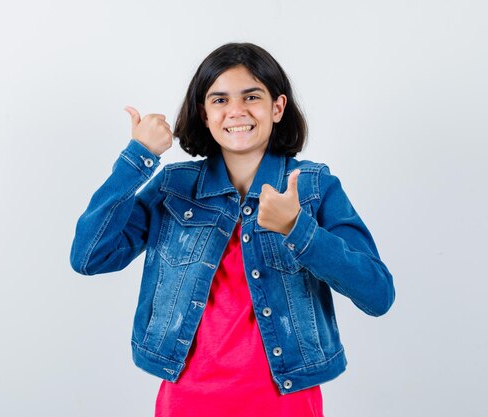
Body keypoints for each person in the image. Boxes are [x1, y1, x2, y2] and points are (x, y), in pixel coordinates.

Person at [70, 42, 395, 417]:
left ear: (277, 107)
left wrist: (297, 229)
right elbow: (89, 257)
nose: (236, 111)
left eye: (252, 96)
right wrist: (138, 157)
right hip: (187, 402)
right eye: (220, 100)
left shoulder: (314, 187)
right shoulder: (172, 187)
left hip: (287, 403)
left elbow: (378, 294)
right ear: (204, 115)